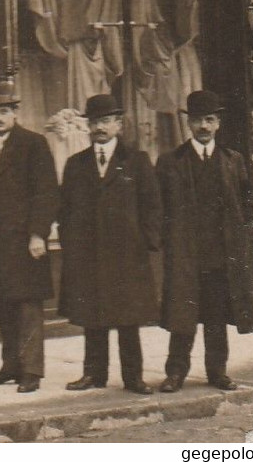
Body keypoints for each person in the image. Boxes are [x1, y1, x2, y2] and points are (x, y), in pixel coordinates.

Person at [59, 93, 161, 395]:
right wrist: (71, 245)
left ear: (118, 124)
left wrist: (146, 243)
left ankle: (133, 377)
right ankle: (94, 374)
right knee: (93, 317)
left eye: (105, 121)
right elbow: (65, 211)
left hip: (127, 255)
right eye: (94, 122)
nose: (99, 127)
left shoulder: (137, 161)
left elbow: (152, 206)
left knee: (128, 320)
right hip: (89, 255)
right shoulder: (75, 164)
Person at [158, 90, 253, 392]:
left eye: (209, 120)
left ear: (218, 124)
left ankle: (217, 372)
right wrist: (169, 244)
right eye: (198, 120)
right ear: (188, 123)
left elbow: (248, 202)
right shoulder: (170, 161)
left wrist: (246, 237)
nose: (203, 126)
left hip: (221, 253)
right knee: (182, 317)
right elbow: (159, 208)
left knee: (216, 316)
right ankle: (175, 372)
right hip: (186, 253)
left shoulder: (233, 161)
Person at [0, 83, 59, 393]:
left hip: (25, 240)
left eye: (3, 111)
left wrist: (39, 233)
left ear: (14, 113)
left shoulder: (33, 144)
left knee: (27, 306)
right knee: (5, 306)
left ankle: (31, 370)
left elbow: (46, 192)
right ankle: (10, 366)